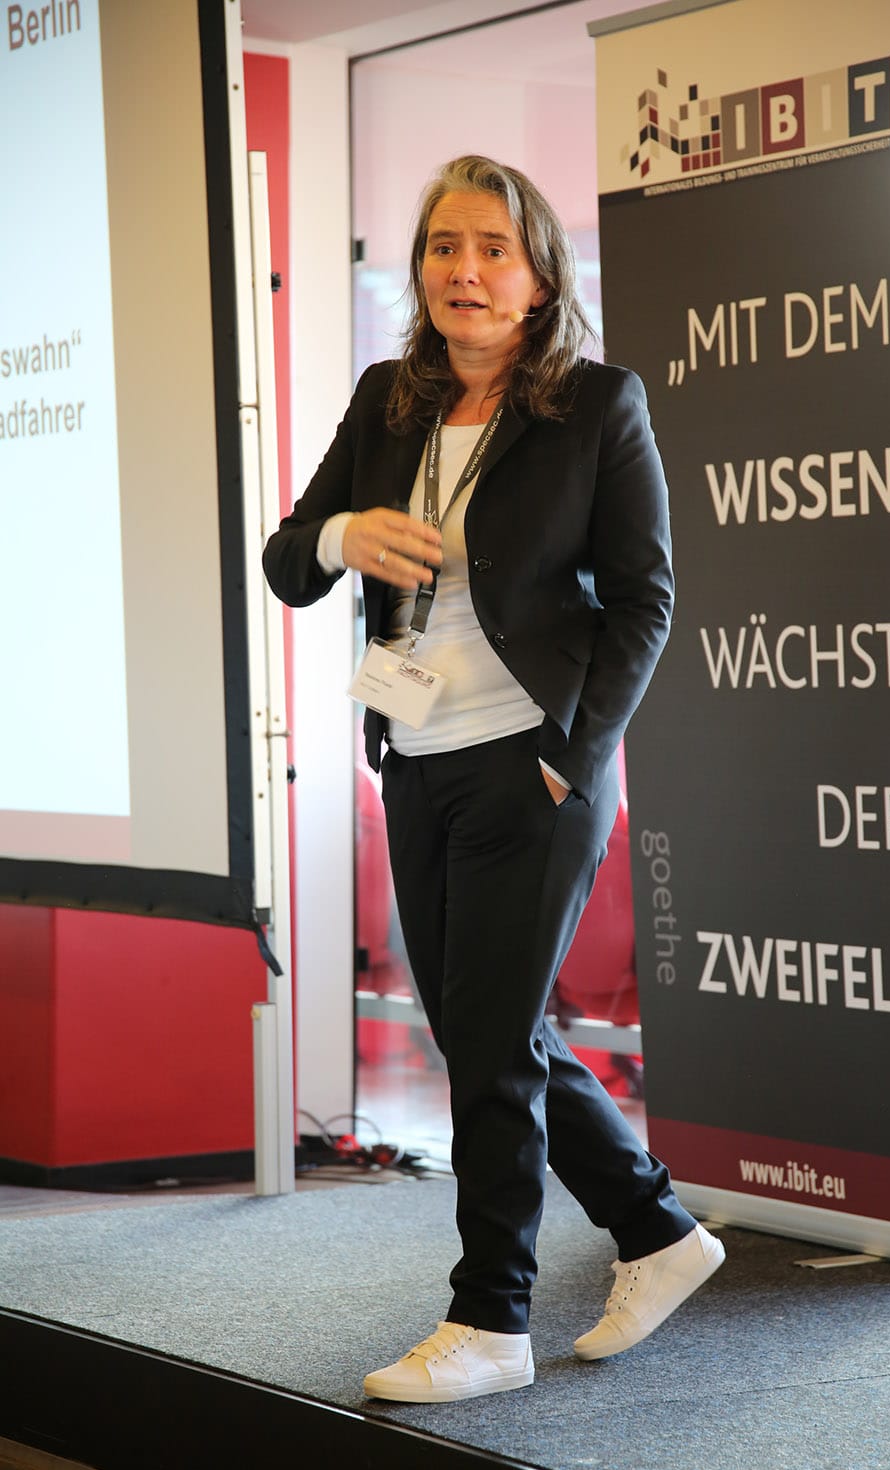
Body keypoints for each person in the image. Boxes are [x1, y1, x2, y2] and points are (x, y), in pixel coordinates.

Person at [262, 154, 724, 1404]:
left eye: (492, 249)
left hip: (532, 764)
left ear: (538, 278)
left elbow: (645, 602)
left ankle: (491, 1320)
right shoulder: (387, 400)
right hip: (415, 760)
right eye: (442, 247)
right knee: (486, 1034)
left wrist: (573, 763)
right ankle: (657, 1231)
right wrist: (342, 536)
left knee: (489, 1050)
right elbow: (288, 561)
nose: (463, 271)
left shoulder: (596, 405)